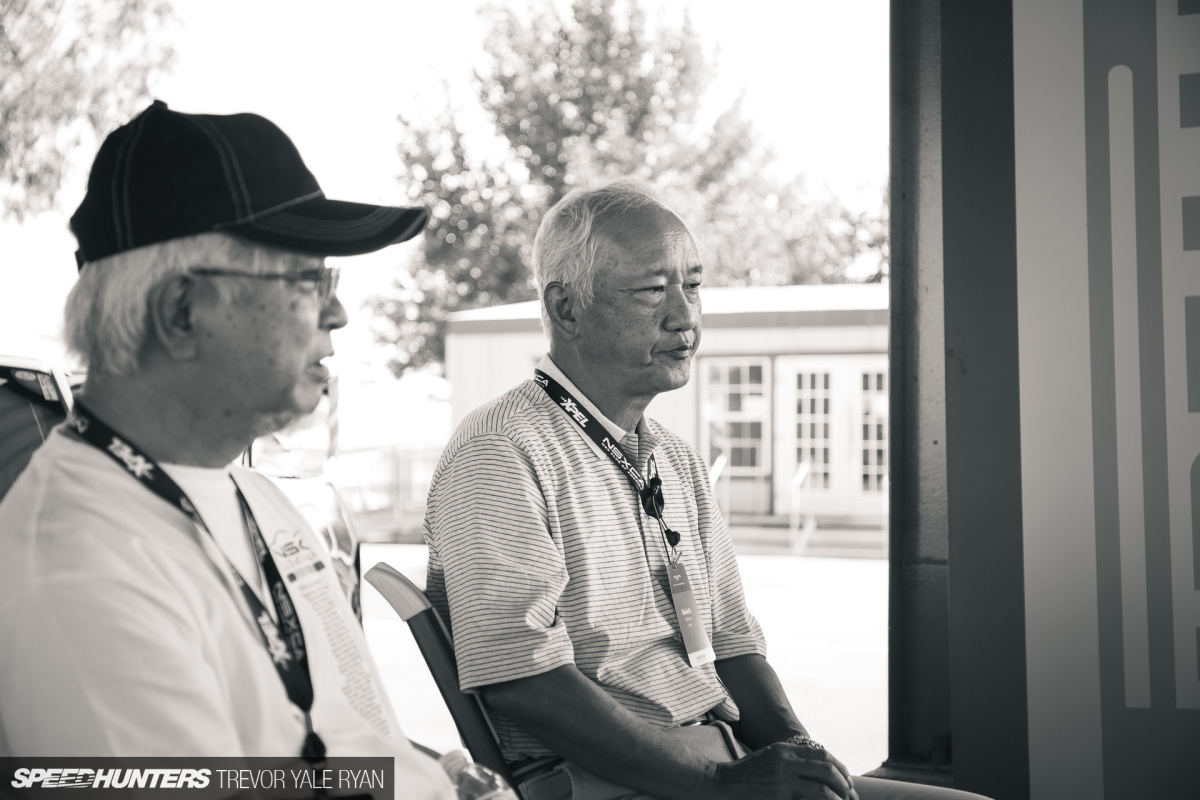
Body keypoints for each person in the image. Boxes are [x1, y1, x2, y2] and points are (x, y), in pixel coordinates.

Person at [423, 180, 992, 800]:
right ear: (566, 309)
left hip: (718, 764)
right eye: (651, 290)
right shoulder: (500, 450)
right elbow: (523, 679)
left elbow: (731, 646)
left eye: (692, 285)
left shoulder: (675, 459)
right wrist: (721, 783)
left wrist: (804, 757)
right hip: (612, 782)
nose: (684, 315)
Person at [0, 100, 456, 799]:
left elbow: (327, 738)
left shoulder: (258, 498)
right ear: (183, 311)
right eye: (309, 281)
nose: (337, 314)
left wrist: (432, 777)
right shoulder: (76, 566)